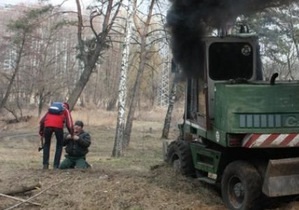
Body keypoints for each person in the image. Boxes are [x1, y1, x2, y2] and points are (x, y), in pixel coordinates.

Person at [39, 102, 74, 169]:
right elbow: (69, 123)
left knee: (46, 145)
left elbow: (42, 121)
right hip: (58, 127)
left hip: (47, 127)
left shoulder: (51, 110)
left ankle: (45, 164)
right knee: (59, 145)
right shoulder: (65, 110)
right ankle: (56, 165)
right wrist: (71, 133)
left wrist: (41, 132)